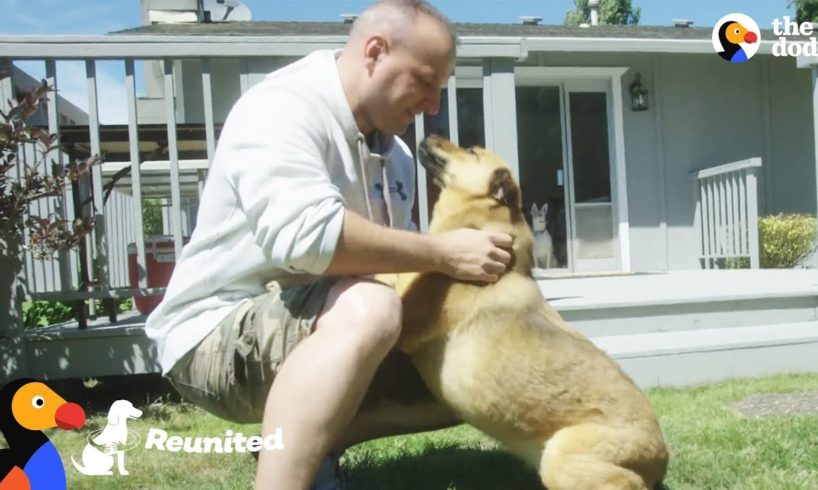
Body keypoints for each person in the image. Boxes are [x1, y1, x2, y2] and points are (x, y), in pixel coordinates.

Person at [144, 1, 513, 488]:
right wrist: (445, 252)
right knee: (371, 308)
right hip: (212, 338)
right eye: (424, 82)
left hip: (323, 323)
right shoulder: (282, 107)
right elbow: (309, 240)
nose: (433, 106)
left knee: (482, 364)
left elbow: (384, 267)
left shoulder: (397, 158)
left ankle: (303, 440)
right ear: (375, 52)